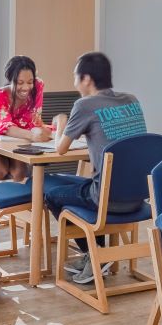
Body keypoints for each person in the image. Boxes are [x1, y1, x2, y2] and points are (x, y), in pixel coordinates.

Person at [45, 52, 148, 286]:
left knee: (51, 195)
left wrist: (61, 121)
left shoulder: (84, 105)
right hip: (138, 197)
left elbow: (60, 149)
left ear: (86, 79)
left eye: (75, 77)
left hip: (106, 198)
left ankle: (96, 254)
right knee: (76, 183)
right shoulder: (131, 100)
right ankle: (97, 255)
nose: (74, 83)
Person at [0, 55, 51, 182]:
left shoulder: (38, 86)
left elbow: (34, 119)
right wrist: (33, 135)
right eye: (20, 82)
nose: (26, 88)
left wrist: (39, 131)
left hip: (20, 138)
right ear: (10, 79)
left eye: (30, 82)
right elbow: (5, 127)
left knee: (20, 172)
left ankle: (15, 201)